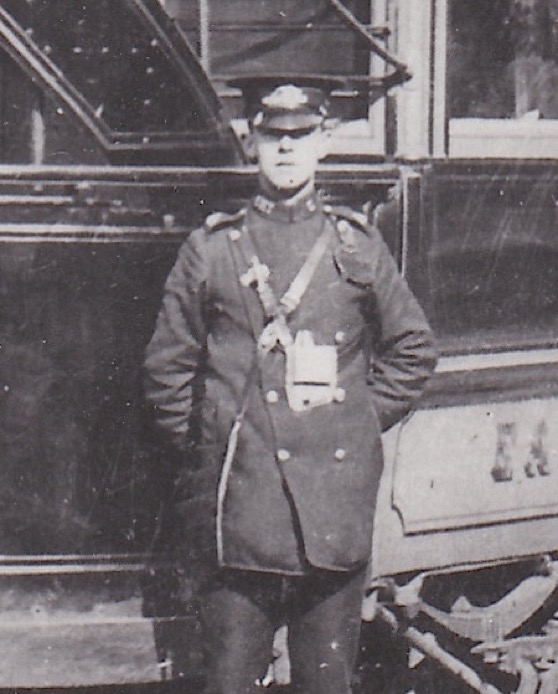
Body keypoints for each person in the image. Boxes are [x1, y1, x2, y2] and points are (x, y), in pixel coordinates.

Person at [143, 77, 437, 694]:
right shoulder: (212, 249)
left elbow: (413, 348)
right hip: (238, 518)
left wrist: (354, 422)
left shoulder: (355, 243)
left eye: (300, 136)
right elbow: (166, 373)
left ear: (323, 143)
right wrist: (212, 454)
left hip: (331, 518)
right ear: (252, 143)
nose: (285, 149)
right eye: (272, 135)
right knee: (227, 682)